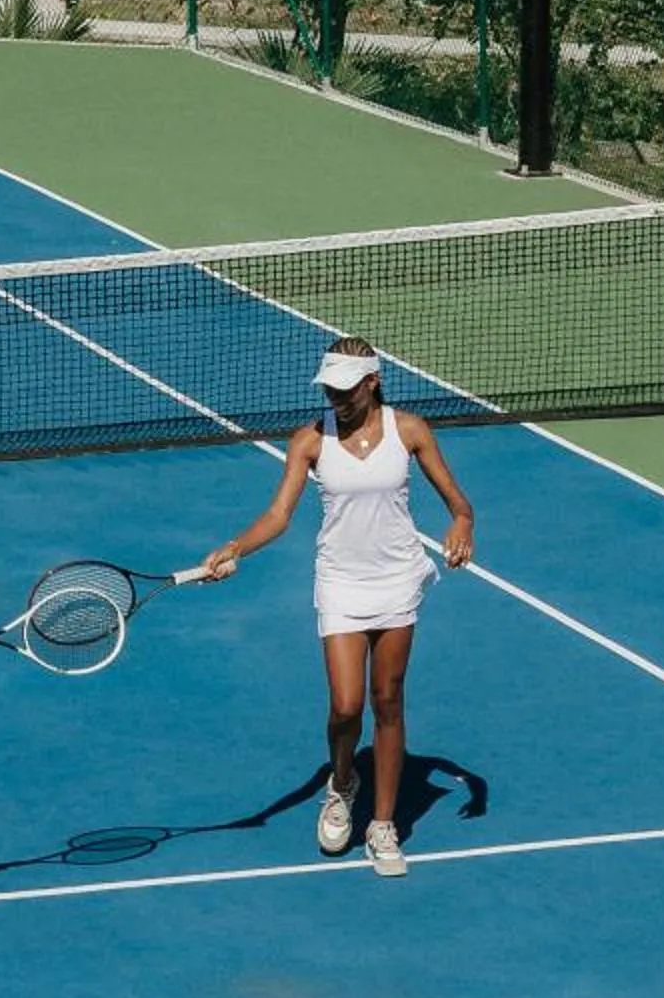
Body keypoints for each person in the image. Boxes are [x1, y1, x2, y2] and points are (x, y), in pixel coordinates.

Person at [199, 338, 474, 878]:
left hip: (396, 579)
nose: (337, 399)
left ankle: (383, 825)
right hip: (342, 582)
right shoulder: (310, 440)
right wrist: (235, 548)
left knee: (387, 700)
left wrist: (462, 524)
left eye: (346, 390)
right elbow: (278, 515)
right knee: (347, 706)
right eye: (330, 390)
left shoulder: (410, 430)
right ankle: (344, 782)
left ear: (372, 382)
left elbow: (458, 503)